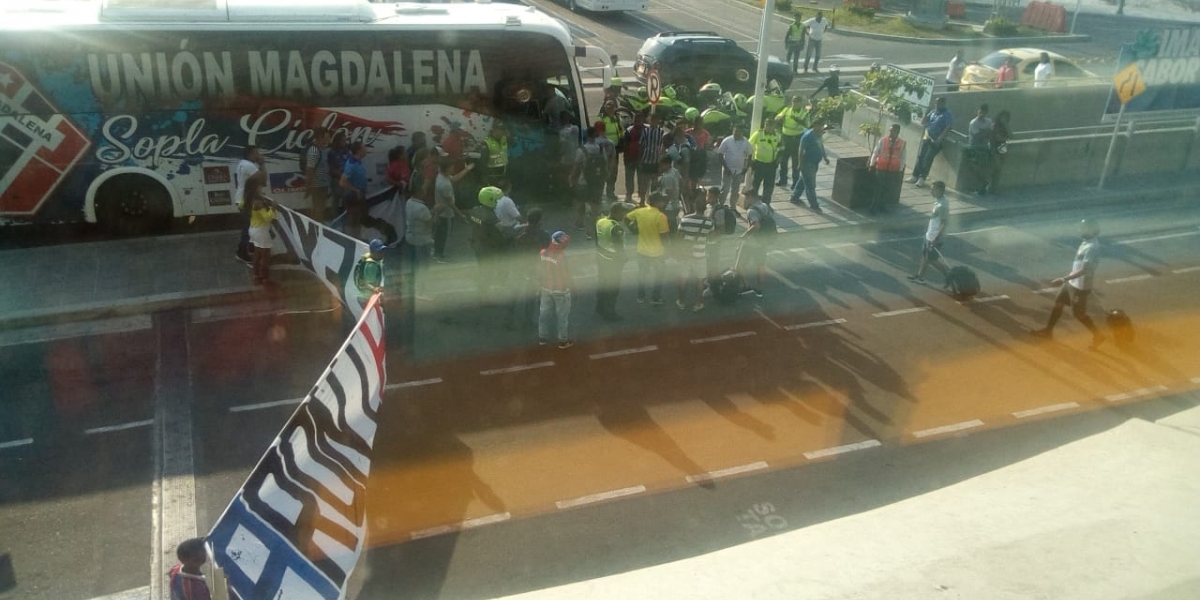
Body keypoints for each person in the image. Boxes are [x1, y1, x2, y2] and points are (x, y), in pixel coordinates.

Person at [1032, 219, 1106, 349]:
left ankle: (1098, 335)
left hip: (1081, 286)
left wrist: (1063, 279)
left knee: (1079, 314)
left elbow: (1084, 270)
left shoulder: (1092, 247)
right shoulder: (1085, 242)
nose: (1080, 230)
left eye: (1083, 228)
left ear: (1090, 230)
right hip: (1072, 282)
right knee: (1058, 303)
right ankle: (1048, 331)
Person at [627, 193, 670, 306]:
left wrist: (632, 229)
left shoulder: (640, 211)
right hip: (658, 253)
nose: (664, 203)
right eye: (662, 201)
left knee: (642, 274)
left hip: (642, 251)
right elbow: (664, 237)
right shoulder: (661, 217)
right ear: (656, 202)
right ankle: (655, 298)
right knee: (659, 275)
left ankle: (640, 296)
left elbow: (626, 218)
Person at [512, 207, 551, 329]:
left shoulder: (517, 230)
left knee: (515, 292)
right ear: (539, 221)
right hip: (535, 267)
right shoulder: (544, 235)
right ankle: (528, 321)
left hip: (518, 265)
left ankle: (509, 319)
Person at [906, 181, 951, 285]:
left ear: (940, 190)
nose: (931, 191)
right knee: (925, 256)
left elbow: (944, 224)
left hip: (935, 238)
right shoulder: (938, 201)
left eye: (933, 189)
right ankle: (920, 276)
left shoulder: (942, 205)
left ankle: (948, 275)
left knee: (932, 259)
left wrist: (935, 238)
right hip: (929, 235)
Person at [595, 202, 633, 321]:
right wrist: (624, 258)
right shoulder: (615, 227)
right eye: (623, 213)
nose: (624, 216)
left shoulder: (600, 221)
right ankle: (609, 313)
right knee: (613, 288)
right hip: (613, 261)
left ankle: (599, 307)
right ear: (616, 212)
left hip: (601, 257)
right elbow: (619, 247)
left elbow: (597, 239)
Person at [469, 185, 508, 302]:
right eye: (495, 200)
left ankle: (482, 293)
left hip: (476, 243)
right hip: (487, 247)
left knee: (482, 269)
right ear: (489, 200)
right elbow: (498, 234)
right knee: (487, 272)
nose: (496, 202)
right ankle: (485, 298)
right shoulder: (491, 217)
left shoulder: (474, 210)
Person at [676, 195, 715, 312]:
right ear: (705, 209)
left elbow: (678, 237)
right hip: (700, 255)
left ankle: (681, 301)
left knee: (683, 279)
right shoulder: (709, 222)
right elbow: (710, 238)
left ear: (694, 206)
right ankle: (698, 303)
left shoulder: (685, 219)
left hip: (685, 254)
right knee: (700, 280)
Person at [907, 96, 953, 188]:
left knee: (928, 158)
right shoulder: (933, 112)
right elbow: (923, 122)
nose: (937, 105)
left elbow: (948, 127)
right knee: (921, 156)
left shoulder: (947, 114)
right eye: (936, 103)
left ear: (943, 103)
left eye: (939, 103)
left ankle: (922, 178)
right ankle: (914, 175)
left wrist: (940, 138)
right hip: (927, 136)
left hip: (936, 139)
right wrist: (926, 113)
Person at [432, 158, 472, 263]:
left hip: (440, 210)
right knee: (442, 234)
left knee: (439, 233)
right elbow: (450, 203)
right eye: (451, 167)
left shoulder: (441, 176)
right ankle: (439, 255)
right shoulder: (445, 185)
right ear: (447, 169)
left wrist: (466, 169)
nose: (452, 168)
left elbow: (454, 179)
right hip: (444, 213)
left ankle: (436, 251)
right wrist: (460, 214)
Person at [538, 231, 574, 349]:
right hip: (561, 290)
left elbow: (540, 270)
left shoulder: (543, 252)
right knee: (562, 316)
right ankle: (563, 340)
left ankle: (542, 337)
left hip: (545, 287)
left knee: (544, 313)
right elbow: (566, 274)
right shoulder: (562, 256)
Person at [791, 121, 830, 213]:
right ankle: (814, 204)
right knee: (810, 185)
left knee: (803, 180)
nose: (821, 127)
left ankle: (794, 197)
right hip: (807, 163)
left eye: (822, 126)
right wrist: (800, 164)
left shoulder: (819, 134)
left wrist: (825, 157)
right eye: (820, 125)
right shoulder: (807, 136)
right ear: (815, 125)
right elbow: (800, 150)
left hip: (815, 162)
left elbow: (821, 145)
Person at [233, 145, 263, 265]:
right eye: (257, 153)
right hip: (246, 200)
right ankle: (242, 253)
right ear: (250, 154)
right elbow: (263, 179)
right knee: (249, 228)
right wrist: (263, 163)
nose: (259, 155)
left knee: (249, 226)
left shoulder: (242, 163)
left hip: (241, 198)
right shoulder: (249, 166)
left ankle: (248, 249)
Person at [740, 191, 773, 297]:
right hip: (763, 241)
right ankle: (760, 289)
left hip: (753, 242)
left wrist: (745, 235)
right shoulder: (765, 206)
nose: (745, 200)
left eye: (746, 198)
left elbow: (756, 226)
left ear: (751, 197)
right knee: (760, 264)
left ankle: (746, 286)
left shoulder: (751, 211)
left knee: (740, 263)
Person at [868, 123, 907, 214]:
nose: (890, 132)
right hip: (881, 167)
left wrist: (900, 169)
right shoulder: (883, 140)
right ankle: (873, 207)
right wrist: (872, 164)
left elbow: (903, 157)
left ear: (897, 132)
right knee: (878, 188)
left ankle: (883, 205)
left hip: (893, 170)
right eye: (890, 130)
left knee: (887, 189)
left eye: (892, 131)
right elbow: (875, 152)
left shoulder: (902, 143)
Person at [577, 126, 608, 238]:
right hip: (597, 182)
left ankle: (580, 223)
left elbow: (577, 166)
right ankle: (592, 231)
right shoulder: (600, 149)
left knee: (581, 203)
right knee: (595, 208)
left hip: (583, 182)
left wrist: (571, 178)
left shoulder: (581, 150)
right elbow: (605, 164)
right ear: (595, 136)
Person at [245, 171, 275, 285]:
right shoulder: (258, 202)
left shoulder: (250, 199)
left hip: (253, 229)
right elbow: (267, 218)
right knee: (265, 256)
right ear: (256, 187)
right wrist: (273, 208)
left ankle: (256, 275)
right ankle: (265, 277)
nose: (262, 186)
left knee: (257, 254)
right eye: (260, 185)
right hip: (261, 231)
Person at [404, 187, 434, 299]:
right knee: (423, 267)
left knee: (413, 265)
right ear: (419, 192)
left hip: (410, 238)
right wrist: (436, 211)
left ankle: (412, 289)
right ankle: (421, 292)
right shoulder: (422, 208)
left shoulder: (408, 202)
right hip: (422, 241)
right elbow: (431, 222)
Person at [775, 96, 809, 189]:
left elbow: (807, 124)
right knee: (783, 160)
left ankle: (795, 182)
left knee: (795, 161)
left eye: (797, 102)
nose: (794, 103)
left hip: (796, 138)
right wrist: (779, 118)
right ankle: (783, 179)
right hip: (786, 138)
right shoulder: (787, 110)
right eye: (793, 101)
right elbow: (777, 118)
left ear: (800, 103)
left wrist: (798, 120)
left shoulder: (804, 113)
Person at [338, 141, 369, 239]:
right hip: (353, 196)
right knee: (351, 220)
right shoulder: (351, 164)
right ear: (359, 151)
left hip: (359, 195)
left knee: (358, 219)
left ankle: (357, 239)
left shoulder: (358, 162)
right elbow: (342, 182)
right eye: (364, 148)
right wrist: (356, 190)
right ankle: (349, 241)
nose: (366, 150)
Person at [716, 125, 753, 206]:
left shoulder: (746, 142)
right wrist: (726, 167)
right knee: (725, 189)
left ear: (742, 132)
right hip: (728, 170)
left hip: (739, 171)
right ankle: (720, 205)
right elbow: (720, 154)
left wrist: (746, 168)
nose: (736, 133)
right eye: (735, 131)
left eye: (738, 131)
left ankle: (733, 207)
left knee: (735, 190)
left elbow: (750, 155)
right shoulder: (727, 140)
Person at [637, 113, 668, 205]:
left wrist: (661, 160)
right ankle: (642, 200)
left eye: (655, 120)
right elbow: (641, 145)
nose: (653, 122)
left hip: (656, 161)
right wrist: (640, 159)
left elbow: (663, 146)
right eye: (652, 120)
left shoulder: (661, 132)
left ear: (658, 121)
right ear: (649, 121)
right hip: (646, 159)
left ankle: (653, 201)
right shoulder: (645, 131)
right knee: (644, 182)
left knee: (654, 183)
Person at [748, 118, 781, 202]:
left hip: (771, 164)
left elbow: (781, 148)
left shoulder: (777, 135)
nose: (768, 127)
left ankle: (766, 203)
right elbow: (748, 145)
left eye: (770, 125)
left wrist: (778, 159)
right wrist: (750, 160)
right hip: (759, 164)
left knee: (769, 186)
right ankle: (753, 202)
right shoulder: (758, 134)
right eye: (767, 125)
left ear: (774, 126)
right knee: (755, 184)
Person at [303, 127, 331, 223]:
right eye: (326, 137)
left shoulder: (323, 149)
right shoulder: (314, 151)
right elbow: (309, 170)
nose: (328, 139)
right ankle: (316, 226)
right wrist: (308, 187)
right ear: (319, 137)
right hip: (317, 185)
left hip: (323, 184)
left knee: (321, 206)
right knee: (318, 207)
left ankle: (318, 224)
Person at [966, 103, 994, 195]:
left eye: (984, 112)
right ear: (978, 111)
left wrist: (984, 132)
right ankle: (984, 182)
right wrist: (986, 132)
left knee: (982, 168)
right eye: (980, 112)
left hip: (984, 148)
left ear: (986, 112)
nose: (982, 114)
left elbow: (990, 134)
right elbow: (978, 136)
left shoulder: (989, 121)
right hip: (974, 148)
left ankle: (981, 189)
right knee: (974, 168)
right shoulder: (973, 123)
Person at [598, 102, 623, 199]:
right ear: (605, 108)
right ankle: (600, 192)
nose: (610, 109)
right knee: (601, 170)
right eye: (608, 108)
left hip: (614, 149)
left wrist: (622, 141)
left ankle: (610, 192)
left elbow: (620, 131)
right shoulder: (601, 118)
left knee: (613, 171)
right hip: (603, 148)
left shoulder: (616, 118)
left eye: (612, 108)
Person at [623, 112, 646, 203]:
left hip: (642, 159)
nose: (637, 121)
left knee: (642, 179)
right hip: (630, 158)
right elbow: (625, 145)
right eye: (636, 119)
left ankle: (642, 197)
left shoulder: (646, 130)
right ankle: (629, 195)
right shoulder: (629, 130)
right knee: (629, 178)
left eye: (639, 119)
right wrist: (625, 157)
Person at [988, 110, 1012, 195]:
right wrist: (1006, 139)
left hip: (1002, 148)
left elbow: (1011, 135)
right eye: (1003, 117)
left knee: (999, 169)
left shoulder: (1005, 126)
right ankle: (990, 187)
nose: (1004, 119)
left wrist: (1006, 125)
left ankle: (994, 188)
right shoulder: (995, 125)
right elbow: (997, 137)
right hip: (994, 148)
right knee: (996, 167)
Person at [657, 154, 683, 233]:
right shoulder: (674, 171)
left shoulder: (668, 177)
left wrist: (662, 206)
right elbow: (681, 181)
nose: (660, 167)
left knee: (670, 228)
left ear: (667, 164)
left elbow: (668, 193)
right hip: (676, 203)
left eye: (662, 165)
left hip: (669, 207)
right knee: (673, 226)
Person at [481, 121, 509, 185]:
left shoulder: (504, 139)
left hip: (503, 175)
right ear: (493, 129)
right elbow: (483, 163)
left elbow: (513, 143)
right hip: (491, 177)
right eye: (498, 129)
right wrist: (485, 179)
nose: (500, 132)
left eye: (502, 130)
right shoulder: (486, 143)